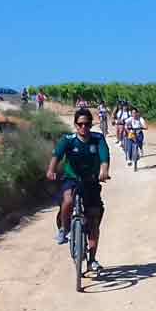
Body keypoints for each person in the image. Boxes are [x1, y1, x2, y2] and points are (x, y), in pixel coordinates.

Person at [45, 107, 111, 270]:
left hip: (91, 181)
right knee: (68, 200)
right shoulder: (68, 140)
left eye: (87, 124)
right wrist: (51, 170)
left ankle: (92, 260)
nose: (84, 127)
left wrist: (104, 171)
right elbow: (57, 156)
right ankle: (64, 228)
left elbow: (104, 156)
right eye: (80, 124)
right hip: (72, 179)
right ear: (75, 125)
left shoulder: (97, 139)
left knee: (94, 221)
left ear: (91, 125)